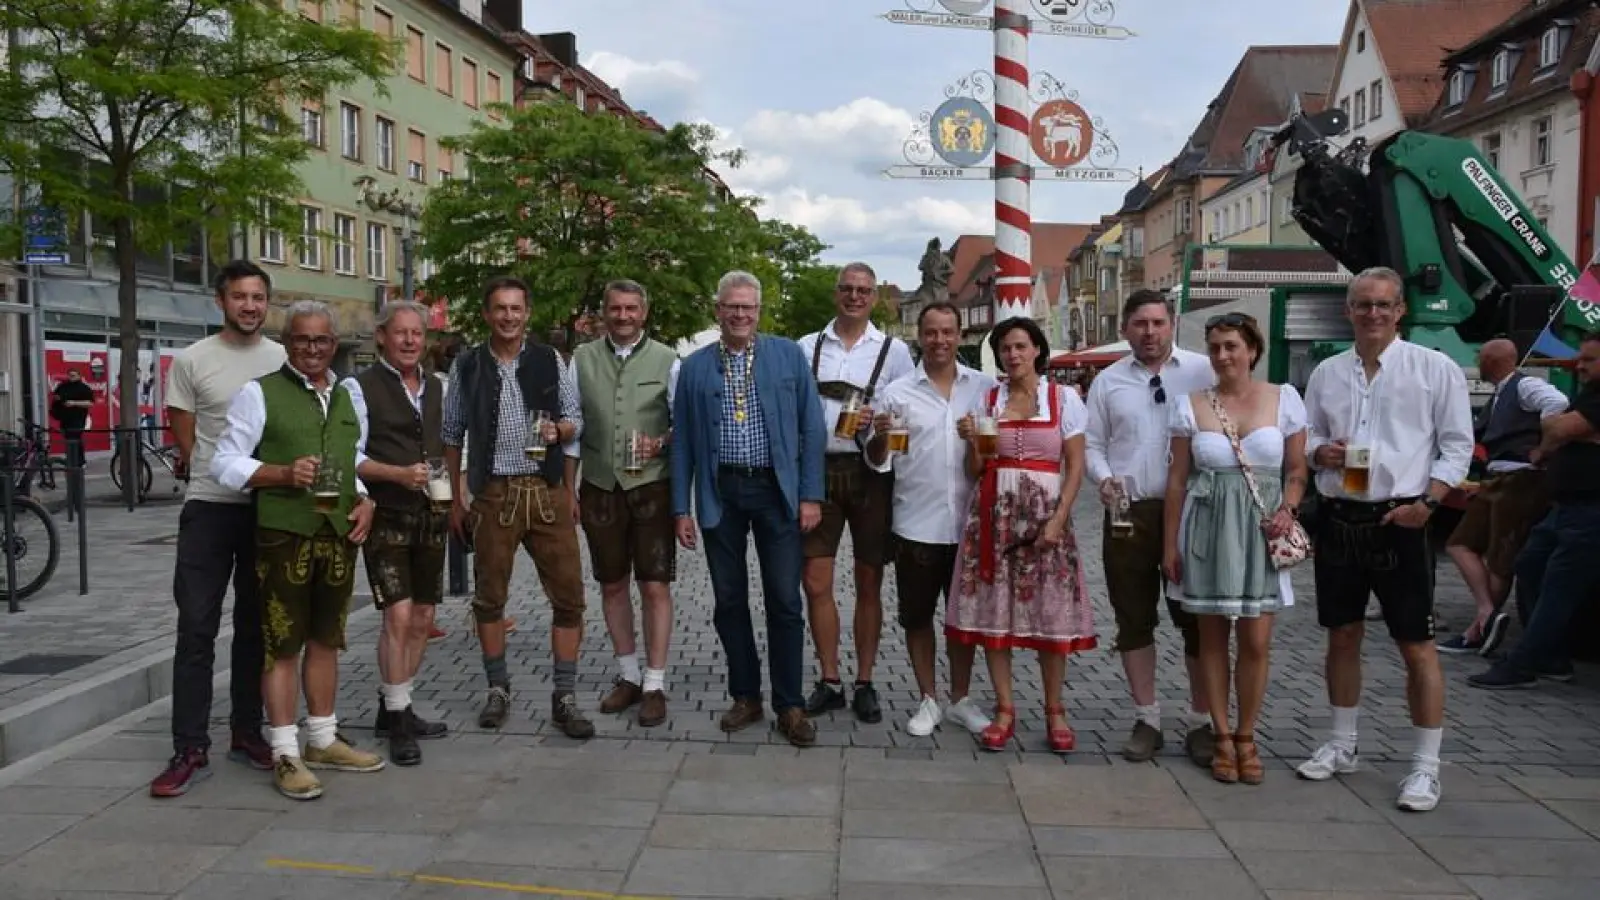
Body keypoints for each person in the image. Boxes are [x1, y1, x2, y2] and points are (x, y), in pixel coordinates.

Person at [1297, 266, 1473, 813]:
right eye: (1362, 304)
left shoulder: (1433, 369)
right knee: (1342, 635)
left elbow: (1457, 446)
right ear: (1348, 310)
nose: (1372, 313)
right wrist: (1318, 452)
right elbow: (1309, 437)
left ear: (1401, 312)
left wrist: (1430, 504)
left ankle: (1425, 767)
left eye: (1383, 305)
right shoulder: (1327, 371)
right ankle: (1343, 743)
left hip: (1403, 518)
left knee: (1414, 644)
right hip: (1341, 515)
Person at [212, 300, 383, 801]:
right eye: (303, 340)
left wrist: (367, 499)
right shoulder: (259, 393)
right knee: (282, 644)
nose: (312, 348)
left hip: (337, 533)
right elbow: (223, 463)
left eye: (322, 340)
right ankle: (285, 750)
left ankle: (323, 739)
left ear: (334, 344)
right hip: (284, 533)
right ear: (287, 343)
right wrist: (280, 474)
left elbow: (352, 461)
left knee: (328, 638)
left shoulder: (348, 395)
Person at [149, 260, 288, 798]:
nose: (250, 306)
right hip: (209, 509)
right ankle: (189, 746)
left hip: (266, 509)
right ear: (220, 301)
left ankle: (247, 732)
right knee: (196, 629)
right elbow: (184, 430)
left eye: (258, 297)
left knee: (257, 628)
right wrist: (205, 466)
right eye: (239, 297)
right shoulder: (192, 359)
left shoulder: (282, 358)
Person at [672, 270, 827, 748]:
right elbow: (681, 444)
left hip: (776, 494)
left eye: (748, 307)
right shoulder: (694, 367)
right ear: (717, 310)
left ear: (759, 311)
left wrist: (809, 494)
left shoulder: (787, 355)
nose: (740, 314)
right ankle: (746, 695)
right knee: (729, 600)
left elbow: (812, 428)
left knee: (784, 599)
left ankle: (790, 703)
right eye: (731, 306)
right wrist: (682, 506)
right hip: (722, 496)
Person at [1162, 313, 1309, 785]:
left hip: (1261, 526)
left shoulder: (1283, 398)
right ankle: (1221, 736)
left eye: (1231, 346)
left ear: (1252, 349)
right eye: (1215, 347)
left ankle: (1248, 734)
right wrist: (1170, 544)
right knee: (1210, 639)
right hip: (1206, 526)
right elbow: (1177, 479)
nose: (1222, 355)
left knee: (1256, 639)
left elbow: (1296, 469)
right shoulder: (1191, 404)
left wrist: (1289, 506)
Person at [442, 276, 591, 738]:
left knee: (569, 597)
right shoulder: (467, 365)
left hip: (545, 491)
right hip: (494, 493)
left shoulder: (551, 359)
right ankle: (497, 688)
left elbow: (575, 421)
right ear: (487, 314)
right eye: (500, 309)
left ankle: (564, 696)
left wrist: (559, 438)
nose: (508, 316)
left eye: (516, 309)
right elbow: (451, 434)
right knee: (490, 598)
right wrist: (454, 497)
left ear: (527, 313)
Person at [945, 317, 1096, 753]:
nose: (1012, 355)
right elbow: (974, 471)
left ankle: (1055, 709)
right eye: (1005, 348)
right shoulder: (989, 400)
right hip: (993, 518)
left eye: (1019, 346)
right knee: (994, 613)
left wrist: (1059, 519)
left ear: (1037, 350)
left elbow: (1075, 467)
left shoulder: (1063, 398)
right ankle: (1005, 708)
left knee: (1050, 614)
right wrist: (973, 443)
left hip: (1046, 515)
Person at [1084, 289, 1216, 765]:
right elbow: (1093, 444)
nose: (1150, 332)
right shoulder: (1108, 382)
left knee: (1198, 618)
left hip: (1195, 510)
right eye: (1140, 324)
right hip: (1130, 511)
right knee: (1132, 616)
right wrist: (1103, 478)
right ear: (1125, 329)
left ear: (1172, 323)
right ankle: (1148, 717)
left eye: (1158, 322)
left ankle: (1203, 719)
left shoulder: (1203, 371)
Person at [863, 301, 994, 738]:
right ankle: (928, 698)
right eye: (932, 332)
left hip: (969, 524)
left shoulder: (983, 387)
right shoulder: (898, 392)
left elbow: (995, 455)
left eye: (948, 332)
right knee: (917, 618)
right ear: (920, 336)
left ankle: (960, 699)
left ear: (960, 336)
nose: (940, 340)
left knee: (962, 620)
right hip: (915, 522)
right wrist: (880, 437)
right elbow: (881, 462)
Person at [795, 262, 915, 722]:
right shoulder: (808, 347)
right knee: (816, 581)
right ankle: (829, 679)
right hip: (818, 471)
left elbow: (904, 409)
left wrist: (882, 422)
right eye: (846, 289)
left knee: (869, 581)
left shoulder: (895, 350)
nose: (854, 297)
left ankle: (864, 680)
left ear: (874, 298)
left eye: (863, 290)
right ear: (835, 294)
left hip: (871, 472)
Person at [565, 280, 681, 727]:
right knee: (612, 583)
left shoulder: (669, 359)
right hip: (600, 485)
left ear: (644, 313)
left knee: (654, 585)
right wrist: (569, 489)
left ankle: (654, 682)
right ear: (603, 314)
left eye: (631, 308)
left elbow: (682, 423)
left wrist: (663, 442)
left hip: (652, 486)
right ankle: (627, 674)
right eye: (615, 309)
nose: (623, 316)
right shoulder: (581, 359)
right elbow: (573, 427)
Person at [343, 301, 451, 766]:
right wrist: (396, 474)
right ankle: (399, 716)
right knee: (399, 616)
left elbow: (448, 446)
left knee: (424, 617)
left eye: (417, 333)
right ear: (382, 337)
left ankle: (396, 704)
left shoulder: (438, 388)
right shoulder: (358, 386)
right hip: (385, 512)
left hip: (431, 515)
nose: (410, 341)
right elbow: (349, 455)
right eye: (400, 333)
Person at [1469, 332, 1600, 689]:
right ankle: (1552, 656)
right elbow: (1557, 427)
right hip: (1565, 505)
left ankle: (1523, 662)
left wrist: (1563, 431)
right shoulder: (1588, 395)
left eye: (1589, 360)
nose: (1580, 367)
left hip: (1590, 510)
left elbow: (1561, 424)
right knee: (1529, 564)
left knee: (1560, 585)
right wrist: (1560, 433)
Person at [1439, 338, 1565, 655]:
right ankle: (1486, 612)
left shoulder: (1525, 387)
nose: (1478, 361)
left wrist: (1545, 446)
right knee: (1459, 542)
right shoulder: (1502, 392)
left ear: (1494, 360)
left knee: (1500, 560)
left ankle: (1479, 631)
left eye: (1481, 356)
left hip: (1521, 478)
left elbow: (1558, 402)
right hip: (1497, 479)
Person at [51, 368, 94, 470]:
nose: (71, 377)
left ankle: (80, 461)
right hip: (65, 418)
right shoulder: (63, 386)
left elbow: (90, 403)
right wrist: (58, 400)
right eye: (70, 375)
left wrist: (74, 403)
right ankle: (71, 460)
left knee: (75, 438)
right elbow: (56, 397)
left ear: (79, 376)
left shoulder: (84, 388)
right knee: (68, 439)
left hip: (78, 418)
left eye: (73, 375)